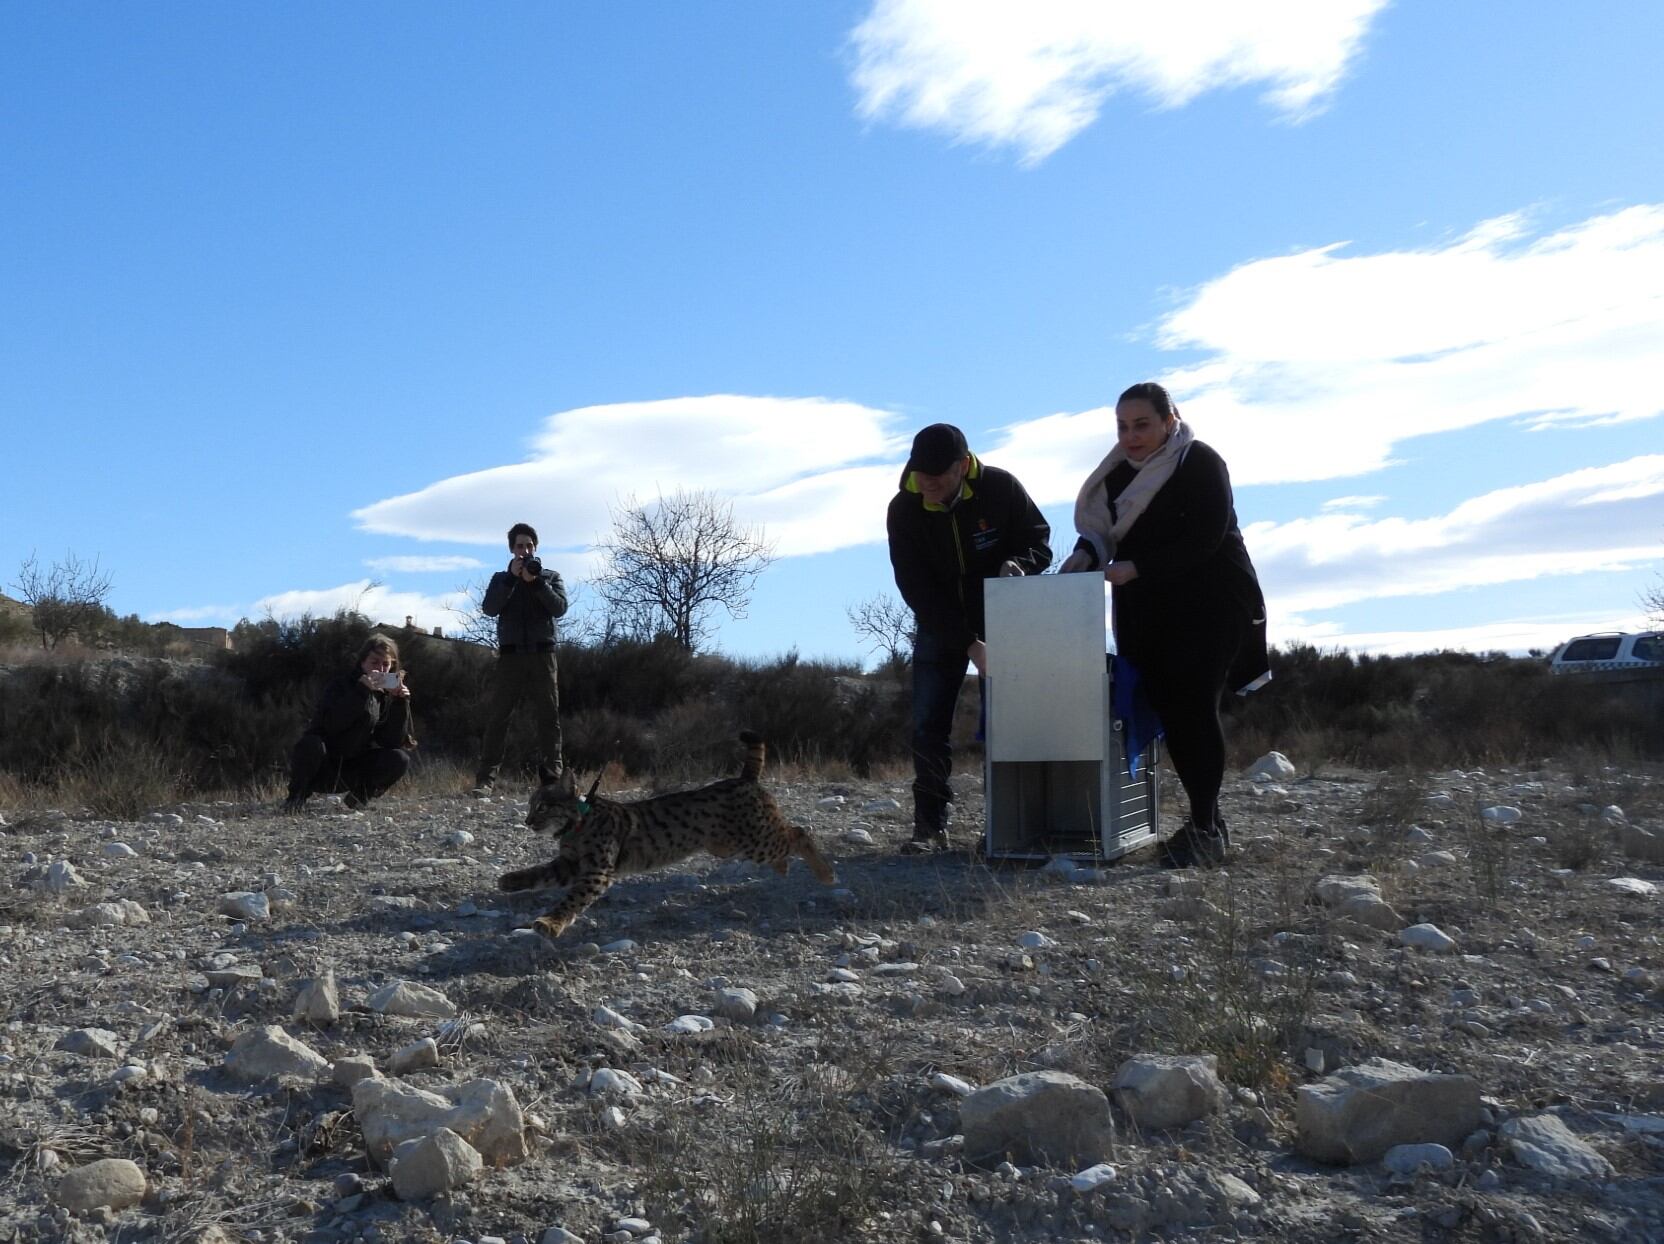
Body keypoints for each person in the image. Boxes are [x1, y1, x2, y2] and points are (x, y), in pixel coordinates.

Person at [1061, 382, 1268, 868]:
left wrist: (1141, 568)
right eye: (1122, 426)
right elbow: (1103, 534)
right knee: (1170, 710)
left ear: (1169, 421)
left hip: (1212, 602)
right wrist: (1085, 553)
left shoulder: (1199, 462)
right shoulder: (1113, 477)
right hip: (1150, 607)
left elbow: (1206, 536)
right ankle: (1207, 824)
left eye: (1142, 425)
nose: (1131, 436)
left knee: (1193, 706)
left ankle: (1204, 827)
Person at [887, 423, 1053, 853]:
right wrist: (968, 643)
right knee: (928, 725)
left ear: (963, 466)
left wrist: (1020, 564)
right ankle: (929, 827)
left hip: (1005, 618)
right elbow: (915, 587)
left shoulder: (1001, 488)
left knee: (1008, 722)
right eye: (921, 474)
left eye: (938, 475)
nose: (928, 483)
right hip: (939, 622)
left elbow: (1039, 541)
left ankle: (1007, 826)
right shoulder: (904, 508)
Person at [471, 521, 569, 795]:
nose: (524, 551)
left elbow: (559, 608)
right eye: (519, 546)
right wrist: (512, 580)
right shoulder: (500, 579)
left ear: (536, 547)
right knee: (499, 717)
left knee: (549, 716)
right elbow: (490, 608)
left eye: (528, 545)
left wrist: (536, 582)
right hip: (511, 656)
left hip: (543, 654)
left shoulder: (550, 577)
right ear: (511, 550)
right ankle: (486, 779)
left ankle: (553, 778)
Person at [283, 633, 413, 811]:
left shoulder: (385, 696)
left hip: (354, 769)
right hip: (323, 766)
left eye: (386, 664)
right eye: (374, 662)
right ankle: (296, 798)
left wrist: (400, 703)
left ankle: (357, 800)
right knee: (310, 743)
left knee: (400, 758)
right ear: (362, 663)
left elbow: (390, 742)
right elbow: (330, 724)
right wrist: (361, 692)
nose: (381, 670)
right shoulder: (340, 686)